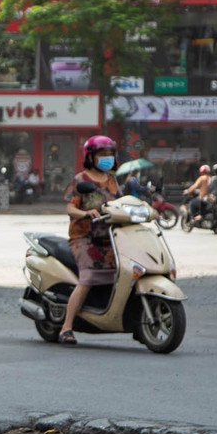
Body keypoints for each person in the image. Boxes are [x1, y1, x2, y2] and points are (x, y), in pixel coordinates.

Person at [58, 135, 121, 346]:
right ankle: (66, 327)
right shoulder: (81, 180)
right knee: (89, 277)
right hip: (85, 238)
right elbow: (70, 207)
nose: (107, 158)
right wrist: (85, 214)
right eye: (102, 155)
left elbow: (122, 203)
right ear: (91, 156)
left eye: (110, 154)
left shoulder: (112, 180)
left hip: (111, 236)